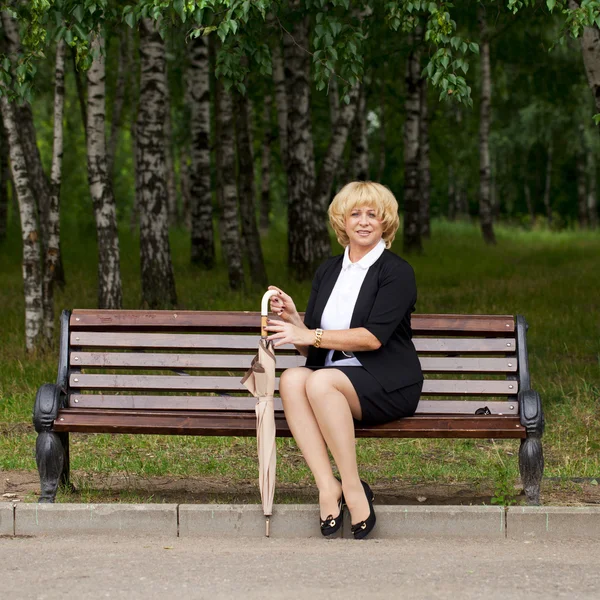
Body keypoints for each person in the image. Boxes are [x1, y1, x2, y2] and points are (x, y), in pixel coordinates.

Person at [265, 181, 423, 540]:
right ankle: (327, 486)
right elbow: (314, 351)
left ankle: (353, 488)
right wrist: (294, 320)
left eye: (373, 214)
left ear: (386, 223)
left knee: (319, 380)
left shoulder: (396, 271)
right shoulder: (328, 271)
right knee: (292, 379)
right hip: (337, 378)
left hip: (388, 380)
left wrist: (311, 335)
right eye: (356, 214)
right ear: (342, 221)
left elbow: (372, 338)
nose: (364, 222)